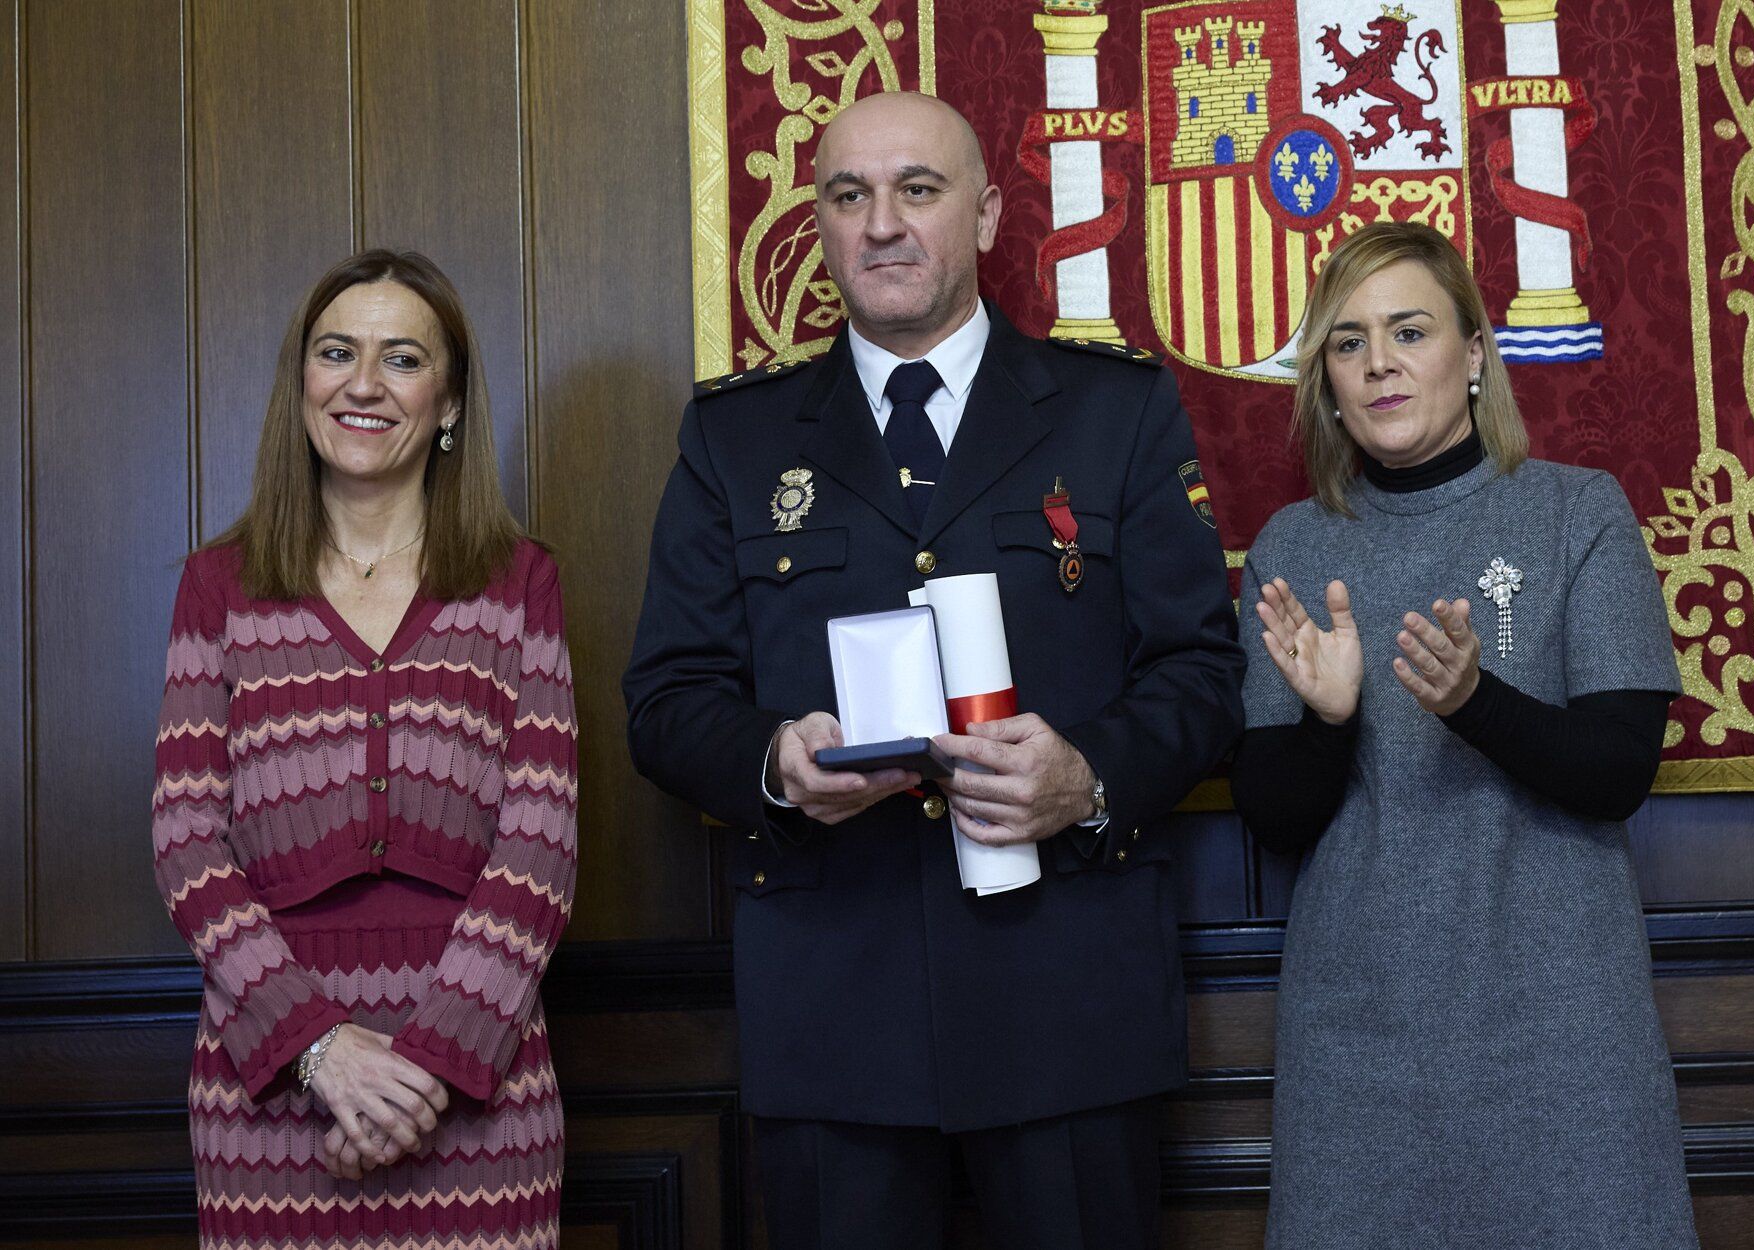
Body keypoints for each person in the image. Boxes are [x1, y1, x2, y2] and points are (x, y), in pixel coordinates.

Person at [623, 91, 1241, 1249]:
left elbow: (1203, 671)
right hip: (835, 1006)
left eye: (919, 189)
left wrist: (1088, 775)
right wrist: (772, 760)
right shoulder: (736, 440)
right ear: (818, 226)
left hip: (1067, 997)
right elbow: (665, 701)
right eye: (848, 196)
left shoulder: (1117, 413)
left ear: (990, 213)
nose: (883, 224)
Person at [1231, 221, 1697, 1248]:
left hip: (1560, 1028)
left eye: (1409, 330)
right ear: (1325, 380)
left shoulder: (1579, 512)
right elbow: (1273, 815)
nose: (1380, 363)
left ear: (1476, 352)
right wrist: (1329, 719)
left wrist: (1474, 700)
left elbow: (1620, 769)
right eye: (1348, 342)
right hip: (1361, 1033)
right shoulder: (1291, 545)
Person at [152, 250, 577, 1247]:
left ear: (450, 403)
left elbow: (541, 845)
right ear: (302, 382)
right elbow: (186, 843)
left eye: (402, 359)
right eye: (338, 352)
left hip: (482, 1081)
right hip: (270, 1090)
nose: (364, 383)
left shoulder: (519, 582)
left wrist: (423, 1069)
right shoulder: (220, 585)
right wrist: (319, 1052)